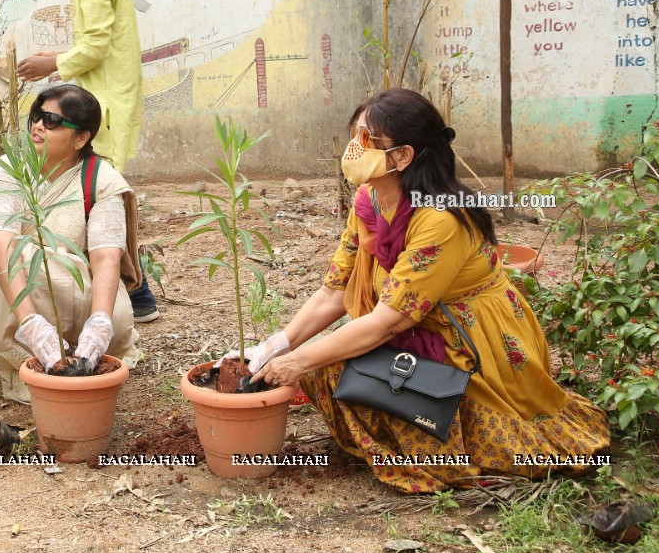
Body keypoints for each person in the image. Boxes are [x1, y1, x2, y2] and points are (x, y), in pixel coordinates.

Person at [242, 88, 609, 492]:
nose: (354, 148)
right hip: (407, 325)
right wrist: (278, 345)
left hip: (466, 340)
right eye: (355, 136)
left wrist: (298, 360)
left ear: (402, 156)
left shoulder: (440, 219)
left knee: (477, 438)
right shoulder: (369, 200)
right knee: (328, 368)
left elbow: (386, 322)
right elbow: (334, 291)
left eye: (368, 140)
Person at [16, 0, 159, 322]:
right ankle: (132, 292)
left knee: (102, 196)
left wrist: (51, 64)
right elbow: (95, 43)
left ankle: (136, 294)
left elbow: (94, 47)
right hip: (106, 94)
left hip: (107, 102)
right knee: (99, 195)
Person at [0, 85, 140, 404]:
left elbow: (107, 256)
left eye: (52, 120)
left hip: (80, 281)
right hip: (19, 276)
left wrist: (100, 322)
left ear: (81, 138)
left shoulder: (101, 179)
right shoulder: (12, 169)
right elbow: (0, 243)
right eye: (37, 116)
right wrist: (30, 324)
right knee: (24, 254)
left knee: (117, 317)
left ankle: (84, 353)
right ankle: (28, 361)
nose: (38, 125)